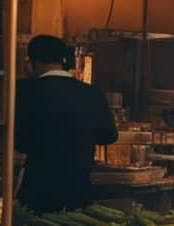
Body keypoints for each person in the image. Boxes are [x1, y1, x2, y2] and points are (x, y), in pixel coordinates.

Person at [14, 35, 118, 213]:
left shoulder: (24, 90)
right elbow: (108, 135)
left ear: (33, 61)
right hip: (78, 188)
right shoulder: (92, 93)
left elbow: (18, 140)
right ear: (63, 60)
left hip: (38, 188)